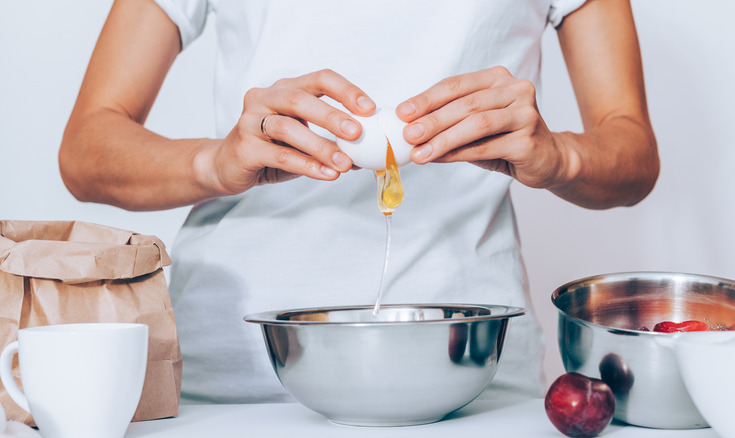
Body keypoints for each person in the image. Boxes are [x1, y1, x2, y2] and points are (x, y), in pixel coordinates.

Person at [59, 0, 659, 404]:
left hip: (470, 374)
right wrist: (214, 162)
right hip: (235, 372)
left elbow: (631, 152)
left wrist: (560, 157)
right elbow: (87, 148)